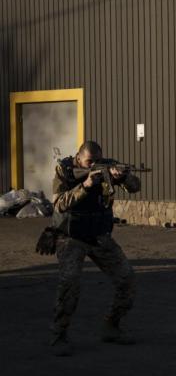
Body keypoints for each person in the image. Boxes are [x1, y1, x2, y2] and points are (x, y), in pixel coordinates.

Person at [49, 140, 142, 356]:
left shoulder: (108, 166)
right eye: (90, 161)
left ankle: (112, 326)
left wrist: (123, 177)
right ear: (79, 158)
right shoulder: (64, 170)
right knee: (69, 283)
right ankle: (59, 334)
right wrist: (85, 186)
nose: (94, 165)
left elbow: (135, 187)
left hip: (99, 235)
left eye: (97, 161)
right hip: (71, 236)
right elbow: (58, 204)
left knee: (127, 279)